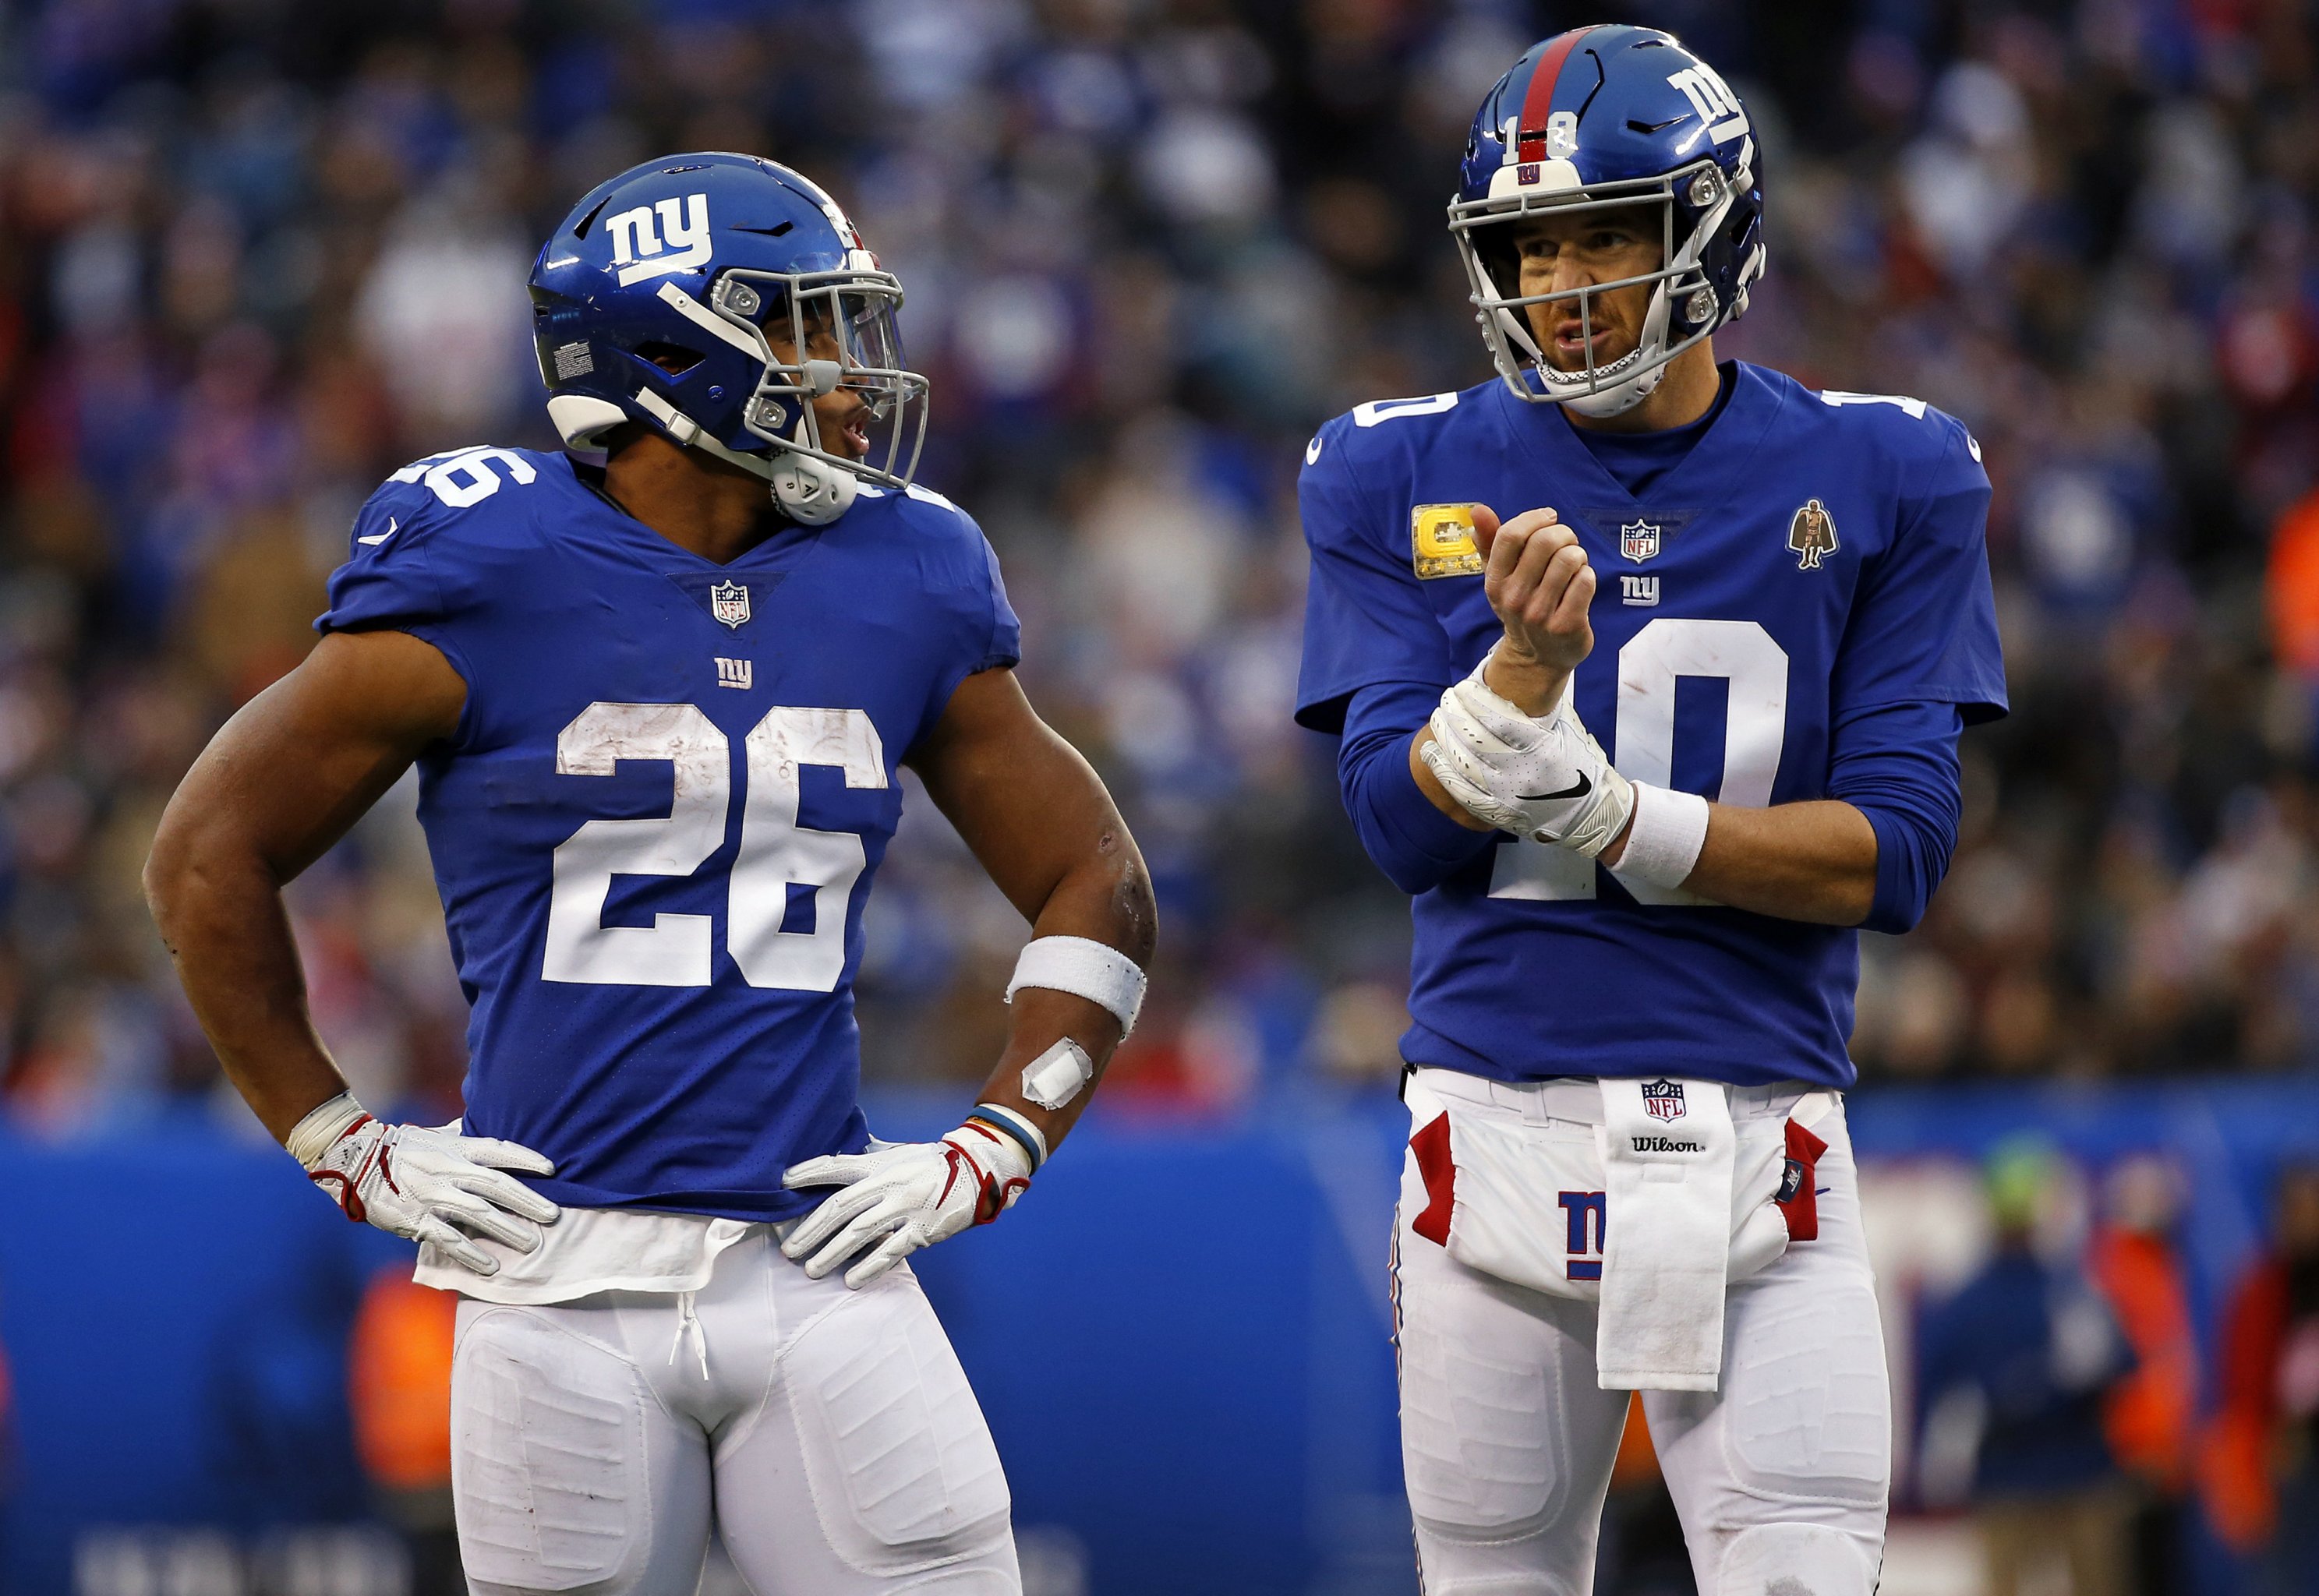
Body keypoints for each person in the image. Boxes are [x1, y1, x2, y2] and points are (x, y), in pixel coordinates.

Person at [144, 153, 1155, 1596]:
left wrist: (1004, 1135)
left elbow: (1094, 874)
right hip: (553, 1282)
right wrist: (337, 1137)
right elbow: (203, 854)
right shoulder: (487, 559)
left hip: (820, 1262)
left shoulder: (908, 567)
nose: (849, 368)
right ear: (673, 354)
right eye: (801, 325)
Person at [1294, 26, 2005, 1594]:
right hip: (1486, 1115)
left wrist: (1617, 815)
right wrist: (1510, 686)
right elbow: (1398, 830)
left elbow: (1891, 856)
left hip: (1766, 1128)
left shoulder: (1883, 471)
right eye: (1526, 242)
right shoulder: (1389, 467)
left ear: (1710, 227)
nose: (1560, 279)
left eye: (1605, 230)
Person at [1918, 1141, 2137, 1596]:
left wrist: (2081, 1373)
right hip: (2019, 1476)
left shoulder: (2064, 1291)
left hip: (2073, 1473)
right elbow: (1937, 1385)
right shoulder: (2044, 1292)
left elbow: (2123, 1361)